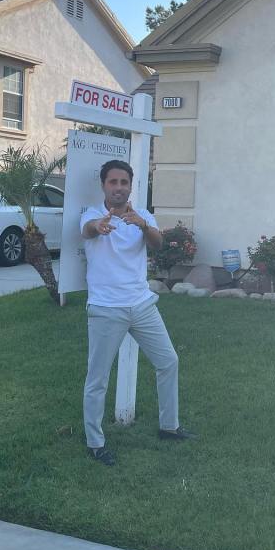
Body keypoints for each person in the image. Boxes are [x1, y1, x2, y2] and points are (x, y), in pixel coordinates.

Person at [80, 159, 196, 466]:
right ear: (103, 185)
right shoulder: (93, 214)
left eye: (124, 183)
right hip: (106, 308)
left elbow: (158, 243)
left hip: (141, 304)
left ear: (131, 185)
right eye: (113, 182)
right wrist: (99, 226)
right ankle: (95, 442)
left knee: (168, 361)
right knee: (98, 378)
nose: (119, 188)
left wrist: (143, 225)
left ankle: (169, 427)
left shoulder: (141, 215)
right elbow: (88, 231)